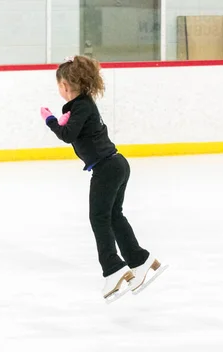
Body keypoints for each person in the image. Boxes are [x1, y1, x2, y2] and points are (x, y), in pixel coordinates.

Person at [40, 55, 167, 302]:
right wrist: (64, 118)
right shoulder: (83, 105)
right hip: (116, 165)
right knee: (113, 215)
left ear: (65, 86)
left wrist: (51, 121)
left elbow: (67, 135)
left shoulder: (81, 107)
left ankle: (114, 268)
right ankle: (140, 259)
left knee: (99, 218)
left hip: (107, 169)